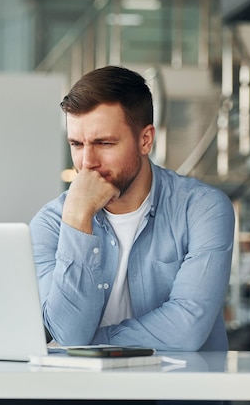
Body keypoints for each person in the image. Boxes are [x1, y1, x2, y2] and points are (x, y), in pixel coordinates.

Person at [29, 66, 235, 351]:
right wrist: (78, 218)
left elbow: (186, 329)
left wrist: (93, 343)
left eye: (104, 143)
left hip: (177, 390)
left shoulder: (202, 209)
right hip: (86, 393)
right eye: (77, 144)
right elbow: (69, 332)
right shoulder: (51, 222)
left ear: (145, 140)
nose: (87, 162)